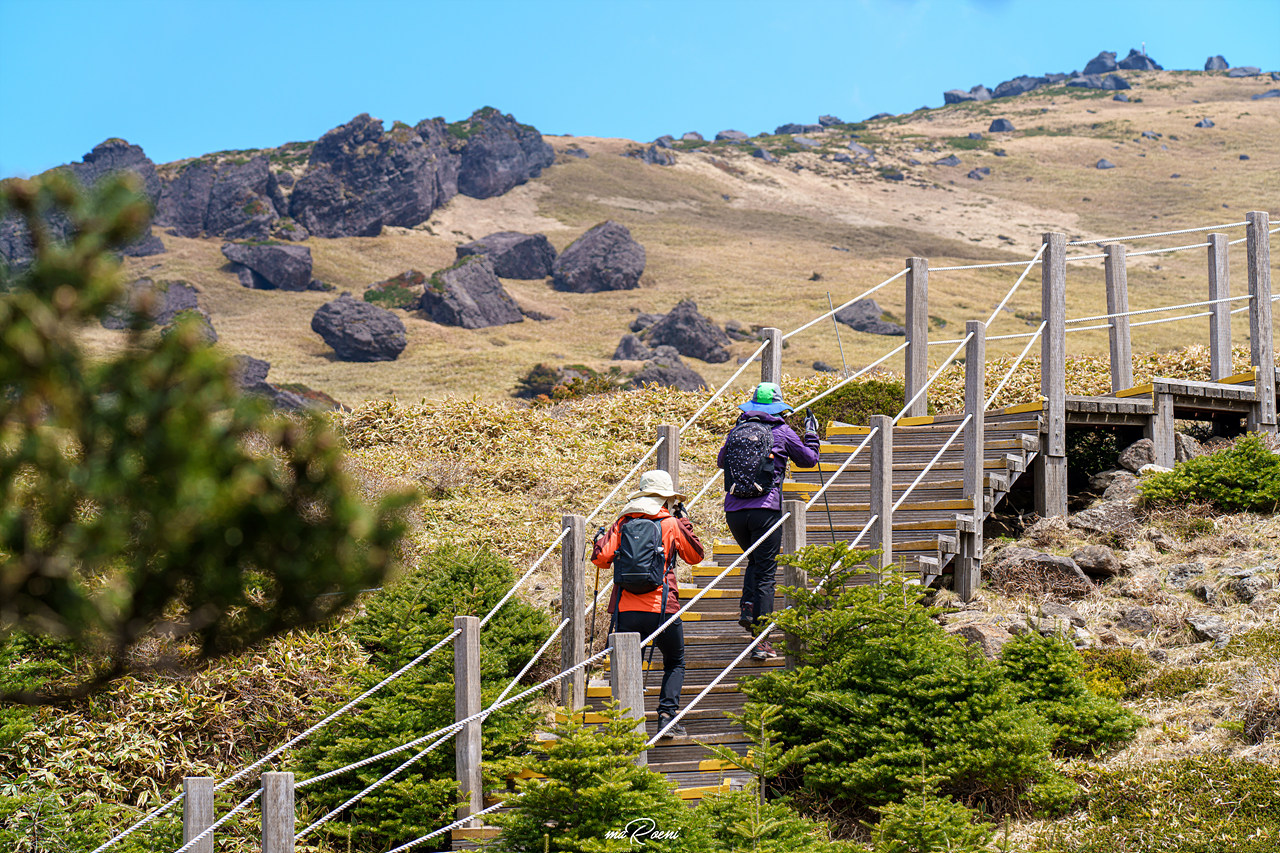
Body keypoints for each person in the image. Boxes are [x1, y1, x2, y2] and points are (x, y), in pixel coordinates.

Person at [591, 469, 705, 739]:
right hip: (662, 607)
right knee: (675, 662)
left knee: (630, 665)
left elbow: (600, 559)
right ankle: (666, 717)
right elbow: (696, 556)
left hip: (625, 609)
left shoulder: (622, 523)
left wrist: (599, 540)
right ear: (666, 499)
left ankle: (626, 726)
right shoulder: (671, 524)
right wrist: (684, 523)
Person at [717, 382, 820, 660]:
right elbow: (809, 460)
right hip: (765, 509)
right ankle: (761, 641)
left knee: (755, 562)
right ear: (779, 407)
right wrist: (812, 435)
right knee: (765, 572)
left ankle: (749, 610)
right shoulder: (783, 431)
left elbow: (720, 461)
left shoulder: (737, 430)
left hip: (734, 510)